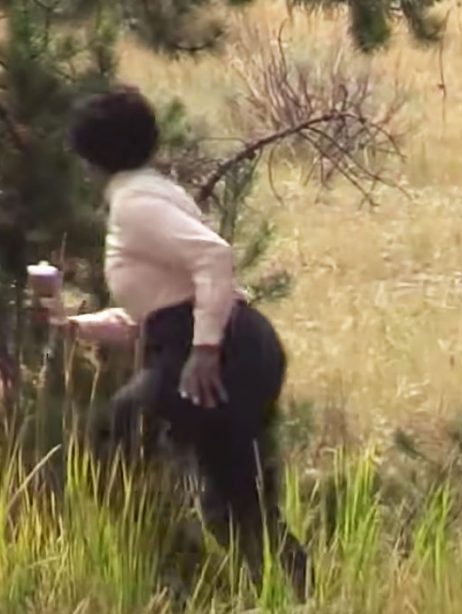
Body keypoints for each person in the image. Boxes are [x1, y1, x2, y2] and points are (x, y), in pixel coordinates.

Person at [57, 84, 309, 600]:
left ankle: (178, 579)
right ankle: (298, 594)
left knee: (111, 435)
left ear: (91, 158)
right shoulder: (155, 191)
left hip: (221, 349)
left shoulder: (133, 204)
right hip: (240, 344)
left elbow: (213, 259)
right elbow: (160, 313)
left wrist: (205, 350)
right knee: (237, 499)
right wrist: (78, 327)